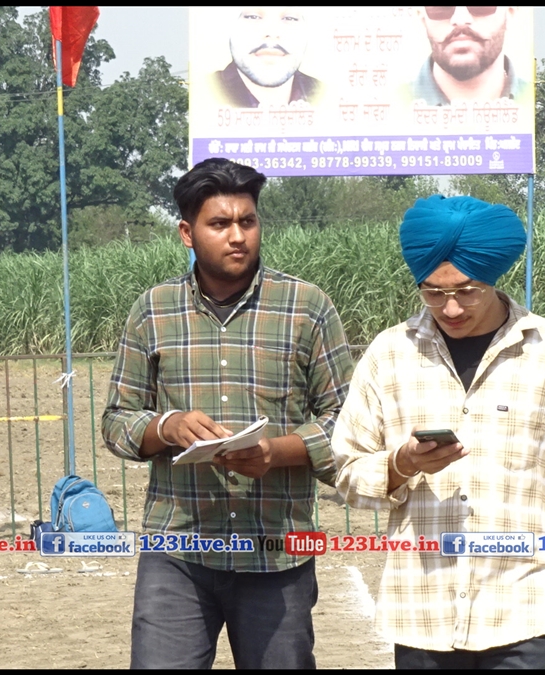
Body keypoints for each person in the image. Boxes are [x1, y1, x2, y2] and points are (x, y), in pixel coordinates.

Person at [330, 194, 545, 669]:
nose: (451, 308)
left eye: (467, 291)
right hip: (422, 616)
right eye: (432, 292)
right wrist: (401, 464)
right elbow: (347, 471)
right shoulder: (389, 354)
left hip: (522, 612)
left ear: (493, 276)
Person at [102, 158, 353, 669]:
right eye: (220, 224)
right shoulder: (153, 310)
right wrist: (166, 426)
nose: (237, 236)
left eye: (248, 221)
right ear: (187, 233)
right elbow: (116, 420)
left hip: (277, 552)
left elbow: (348, 421)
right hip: (178, 550)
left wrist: (276, 452)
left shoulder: (306, 307)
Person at [407, 6, 530, 105]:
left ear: (510, 13)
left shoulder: (535, 104)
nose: (460, 20)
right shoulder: (397, 109)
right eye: (443, 7)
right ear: (423, 20)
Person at [211, 6, 323, 108]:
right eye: (252, 16)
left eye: (290, 18)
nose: (272, 33)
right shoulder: (202, 94)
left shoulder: (327, 98)